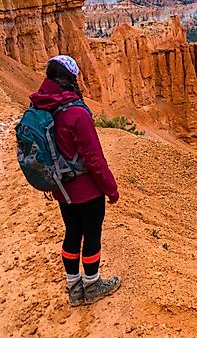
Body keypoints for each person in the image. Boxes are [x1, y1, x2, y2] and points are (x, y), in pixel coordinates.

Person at [29, 55, 121, 305]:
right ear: (70, 78)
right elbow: (94, 158)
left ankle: (73, 287)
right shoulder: (76, 113)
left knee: (72, 231)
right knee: (92, 233)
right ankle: (92, 285)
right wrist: (111, 189)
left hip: (61, 186)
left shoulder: (42, 106)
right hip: (86, 189)